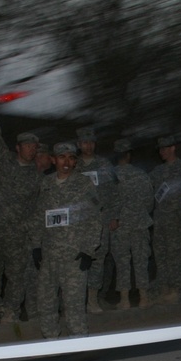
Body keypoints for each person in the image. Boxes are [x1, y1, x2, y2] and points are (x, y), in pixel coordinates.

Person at [31, 142, 102, 338]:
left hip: (74, 254)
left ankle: (78, 340)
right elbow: (39, 216)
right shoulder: (46, 184)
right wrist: (35, 245)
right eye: (62, 157)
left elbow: (95, 219)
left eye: (71, 158)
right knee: (46, 301)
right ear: (54, 160)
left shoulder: (84, 184)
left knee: (74, 302)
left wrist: (89, 250)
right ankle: (51, 340)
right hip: (49, 254)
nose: (66, 162)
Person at [0, 100, 42, 323]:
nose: (31, 149)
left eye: (34, 147)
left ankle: (11, 311)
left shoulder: (36, 178)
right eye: (26, 145)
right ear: (18, 148)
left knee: (16, 275)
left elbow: (38, 209)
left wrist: (26, 228)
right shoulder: (5, 161)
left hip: (17, 235)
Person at [149, 135, 181, 304]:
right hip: (159, 221)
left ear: (173, 148)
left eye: (165, 148)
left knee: (175, 256)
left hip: (176, 221)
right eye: (160, 149)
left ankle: (175, 291)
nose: (162, 152)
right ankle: (164, 290)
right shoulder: (157, 172)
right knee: (160, 256)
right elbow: (151, 197)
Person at [108, 138, 154, 309]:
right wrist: (141, 214)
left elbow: (107, 201)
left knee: (122, 262)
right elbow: (150, 201)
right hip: (140, 223)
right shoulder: (142, 175)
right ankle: (144, 298)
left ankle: (125, 299)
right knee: (141, 261)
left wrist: (114, 217)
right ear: (128, 155)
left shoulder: (111, 175)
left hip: (119, 225)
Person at [76, 126, 118, 313]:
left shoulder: (104, 165)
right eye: (85, 142)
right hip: (78, 222)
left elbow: (114, 192)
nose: (89, 146)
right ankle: (76, 300)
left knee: (99, 260)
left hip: (101, 220)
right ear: (79, 144)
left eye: (91, 142)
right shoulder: (73, 165)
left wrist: (113, 216)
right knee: (76, 261)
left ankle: (92, 299)